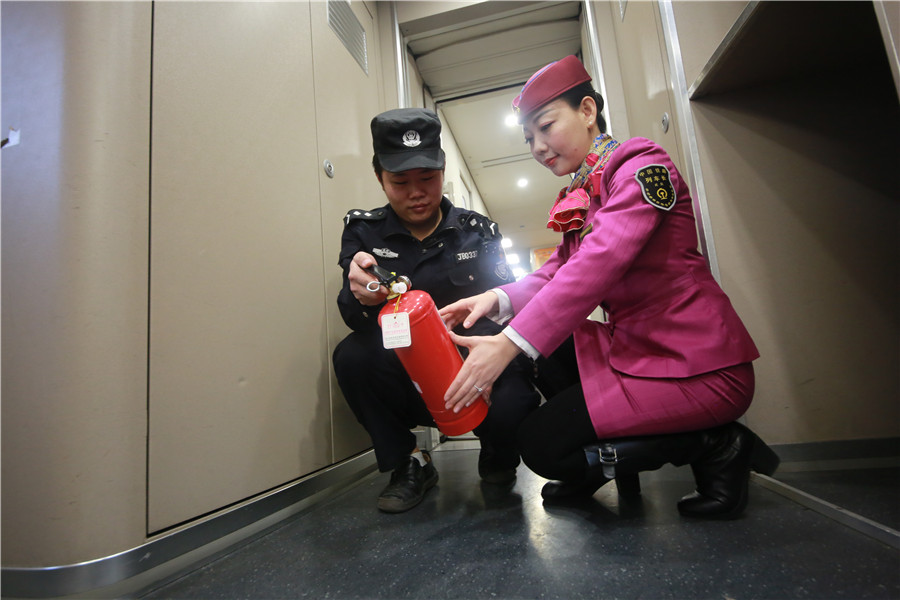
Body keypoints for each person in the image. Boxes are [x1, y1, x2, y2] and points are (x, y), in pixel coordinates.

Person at [439, 56, 778, 519]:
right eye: (529, 138)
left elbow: (599, 262)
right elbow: (559, 268)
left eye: (545, 126)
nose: (538, 146)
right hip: (643, 354)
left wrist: (507, 345)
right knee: (542, 349)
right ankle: (604, 457)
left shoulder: (640, 166)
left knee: (540, 447)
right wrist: (495, 299)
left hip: (698, 368)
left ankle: (718, 444)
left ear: (586, 110)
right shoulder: (588, 187)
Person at [332, 107, 540, 514]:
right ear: (380, 178)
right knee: (352, 355)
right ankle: (410, 463)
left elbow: (507, 310)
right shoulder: (364, 231)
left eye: (427, 179)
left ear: (442, 171)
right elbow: (353, 318)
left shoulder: (477, 231)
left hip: (470, 363)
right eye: (400, 182)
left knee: (516, 392)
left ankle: (498, 451)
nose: (416, 193)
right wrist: (362, 296)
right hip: (403, 369)